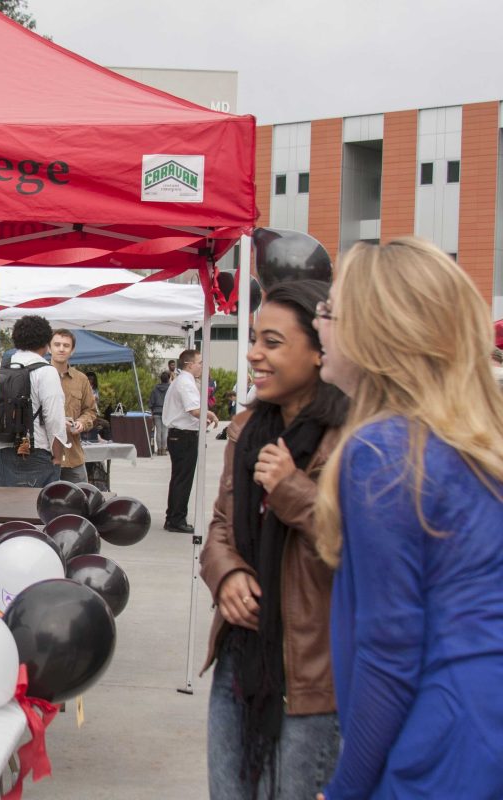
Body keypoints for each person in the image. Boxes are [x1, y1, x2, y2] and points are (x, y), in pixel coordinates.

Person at [313, 238, 503, 800]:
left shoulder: (385, 452)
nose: (319, 324)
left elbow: (388, 651)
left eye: (330, 310)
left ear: (378, 332)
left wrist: (344, 788)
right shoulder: (472, 445)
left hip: (443, 739)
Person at [200, 280, 347, 799]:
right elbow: (219, 526)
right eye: (255, 339)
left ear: (318, 351)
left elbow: (355, 548)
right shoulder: (246, 429)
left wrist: (291, 489)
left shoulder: (352, 437)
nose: (254, 354)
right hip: (241, 657)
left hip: (310, 672)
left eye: (273, 342)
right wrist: (228, 574)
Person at [0, 315, 67, 487]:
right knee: (34, 510)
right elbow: (54, 420)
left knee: (1, 509)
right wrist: (57, 457)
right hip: (33, 453)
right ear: (46, 344)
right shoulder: (47, 372)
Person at [162, 349, 219, 532]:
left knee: (179, 478)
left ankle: (173, 516)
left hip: (181, 435)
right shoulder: (185, 382)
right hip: (184, 435)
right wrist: (210, 414)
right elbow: (194, 410)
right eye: (200, 362)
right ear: (189, 364)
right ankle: (176, 519)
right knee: (183, 479)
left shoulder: (184, 381)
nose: (202, 366)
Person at [50, 329, 98, 483]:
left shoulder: (81, 379)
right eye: (57, 344)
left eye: (66, 345)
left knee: (81, 500)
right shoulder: (38, 376)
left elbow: (90, 410)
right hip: (45, 457)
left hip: (73, 456)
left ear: (72, 350)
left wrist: (81, 423)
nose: (61, 349)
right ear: (49, 348)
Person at [149, 370, 172, 455]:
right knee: (165, 431)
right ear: (169, 379)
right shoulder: (170, 388)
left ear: (160, 379)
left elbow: (151, 402)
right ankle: (163, 449)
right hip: (166, 412)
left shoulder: (155, 389)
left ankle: (159, 449)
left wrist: (152, 412)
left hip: (156, 412)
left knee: (158, 431)